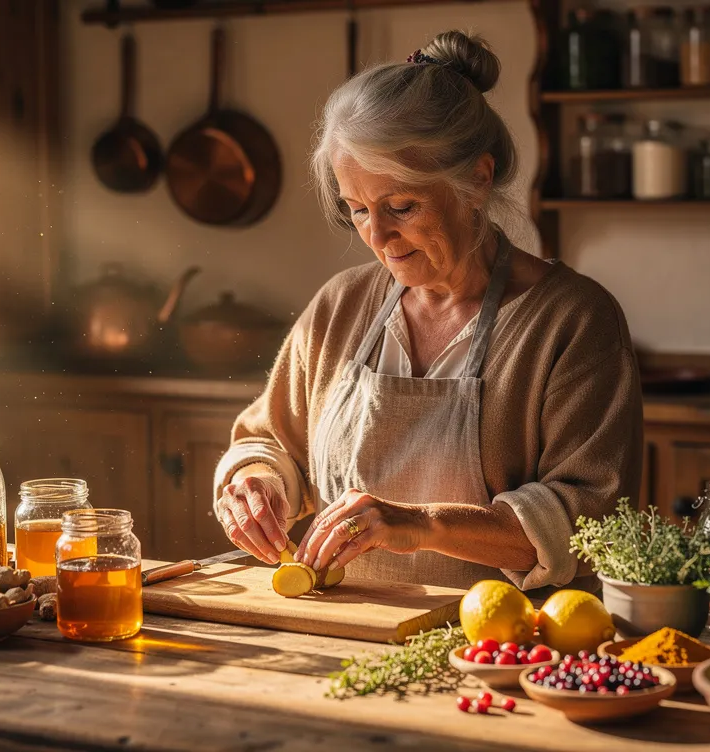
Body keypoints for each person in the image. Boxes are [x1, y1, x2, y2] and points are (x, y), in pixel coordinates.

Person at [211, 30, 642, 592]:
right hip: (345, 630)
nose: (379, 236)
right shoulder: (342, 306)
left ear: (476, 181)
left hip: (509, 645)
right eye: (358, 210)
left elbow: (589, 516)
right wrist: (256, 482)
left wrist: (420, 524)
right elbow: (269, 441)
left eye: (402, 206)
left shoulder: (571, 321)